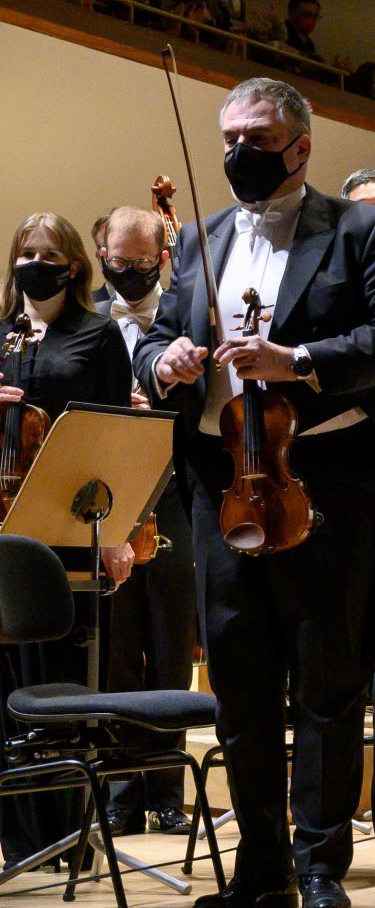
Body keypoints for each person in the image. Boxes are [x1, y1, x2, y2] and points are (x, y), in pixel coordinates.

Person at [136, 78, 375, 908]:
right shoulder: (199, 238)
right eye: (229, 138)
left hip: (326, 480)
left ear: (300, 147)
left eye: (257, 140)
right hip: (222, 482)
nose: (238, 153)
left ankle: (322, 864)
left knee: (326, 677)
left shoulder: (362, 229)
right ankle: (260, 869)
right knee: (240, 677)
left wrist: (296, 360)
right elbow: (156, 337)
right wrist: (164, 361)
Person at [0, 213, 136, 866]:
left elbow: (112, 433)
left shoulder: (98, 334)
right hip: (4, 527)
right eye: (25, 252)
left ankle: (69, 836)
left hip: (70, 525)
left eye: (49, 254)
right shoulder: (0, 334)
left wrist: (118, 532)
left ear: (74, 265)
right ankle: (21, 840)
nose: (35, 263)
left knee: (63, 680)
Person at [95, 207, 201, 838]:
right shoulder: (88, 322)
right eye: (119, 261)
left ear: (163, 257)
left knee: (170, 648)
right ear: (100, 254)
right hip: (109, 500)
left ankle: (166, 790)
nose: (130, 272)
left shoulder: (184, 315)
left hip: (176, 492)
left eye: (142, 262)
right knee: (116, 651)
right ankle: (120, 790)